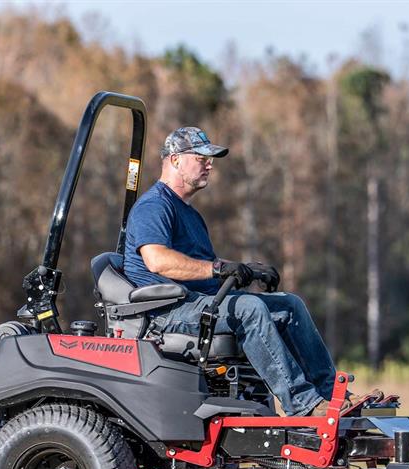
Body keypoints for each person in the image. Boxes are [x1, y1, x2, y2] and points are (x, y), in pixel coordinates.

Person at [122, 126, 380, 416]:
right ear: (175, 160)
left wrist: (246, 271)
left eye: (211, 158)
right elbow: (157, 260)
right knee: (249, 308)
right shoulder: (154, 206)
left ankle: (332, 395)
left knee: (289, 305)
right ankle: (304, 405)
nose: (209, 164)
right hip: (168, 311)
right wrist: (219, 268)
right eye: (201, 157)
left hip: (197, 303)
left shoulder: (188, 213)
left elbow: (201, 267)